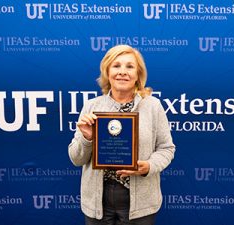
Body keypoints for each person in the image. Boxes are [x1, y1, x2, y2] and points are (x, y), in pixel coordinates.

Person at [68, 45, 175, 225]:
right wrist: (87, 139)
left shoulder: (153, 106)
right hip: (98, 202)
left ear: (138, 74)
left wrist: (148, 166)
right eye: (116, 66)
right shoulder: (92, 107)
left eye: (129, 66)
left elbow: (166, 148)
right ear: (107, 72)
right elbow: (76, 159)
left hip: (140, 201)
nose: (122, 72)